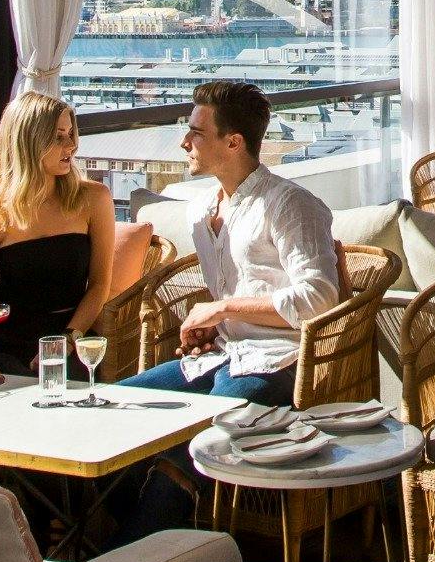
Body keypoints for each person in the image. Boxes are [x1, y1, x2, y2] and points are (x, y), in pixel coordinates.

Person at [119, 80, 339, 532]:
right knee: (119, 411)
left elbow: (319, 297)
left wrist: (222, 310)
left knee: (193, 443)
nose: (184, 142)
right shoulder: (202, 213)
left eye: (197, 132)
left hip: (280, 363)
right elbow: (234, 294)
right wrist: (212, 323)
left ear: (234, 142)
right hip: (220, 356)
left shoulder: (291, 205)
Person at [0, 92, 116, 384]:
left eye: (70, 134)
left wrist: (67, 339)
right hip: (10, 341)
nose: (71, 145)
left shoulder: (94, 198)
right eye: (58, 138)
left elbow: (100, 285)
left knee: (68, 391)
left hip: (71, 335)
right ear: (28, 143)